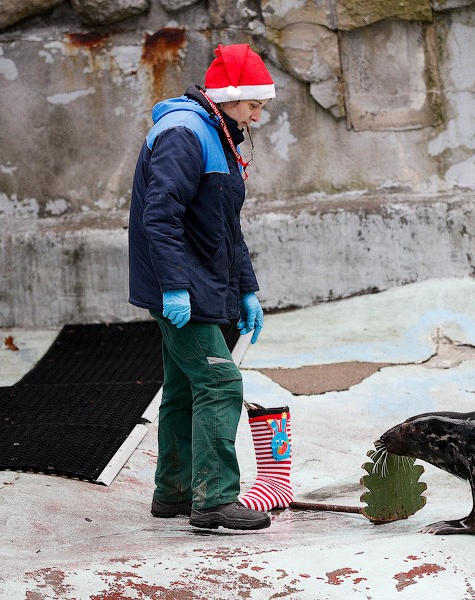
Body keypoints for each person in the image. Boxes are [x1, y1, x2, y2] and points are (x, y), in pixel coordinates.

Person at [127, 43, 275, 530]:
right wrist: (174, 288)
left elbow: (225, 225)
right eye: (253, 104)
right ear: (229, 98)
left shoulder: (219, 133)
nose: (258, 115)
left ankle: (172, 492)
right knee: (219, 380)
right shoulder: (184, 134)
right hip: (180, 286)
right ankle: (214, 500)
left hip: (201, 280)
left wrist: (246, 289)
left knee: (185, 386)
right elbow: (160, 216)